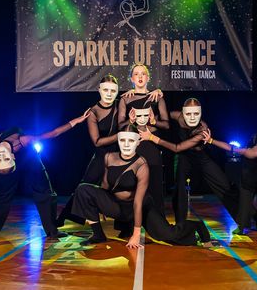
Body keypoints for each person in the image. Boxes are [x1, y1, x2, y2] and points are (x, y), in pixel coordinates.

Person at [0, 110, 90, 240]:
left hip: (29, 158)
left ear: (13, 157)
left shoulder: (23, 141)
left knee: (44, 191)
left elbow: (53, 133)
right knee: (0, 196)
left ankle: (52, 230)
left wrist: (76, 121)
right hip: (8, 164)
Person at [71, 127, 202, 248]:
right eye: (123, 140)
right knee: (83, 189)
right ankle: (98, 235)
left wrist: (136, 235)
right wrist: (100, 205)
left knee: (167, 235)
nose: (126, 144)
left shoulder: (142, 165)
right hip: (118, 206)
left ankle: (196, 227)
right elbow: (105, 185)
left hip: (140, 208)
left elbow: (138, 202)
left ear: (138, 142)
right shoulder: (108, 157)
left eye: (131, 141)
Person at [139, 98, 238, 242]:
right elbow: (163, 119)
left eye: (196, 114)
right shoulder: (177, 116)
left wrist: (152, 138)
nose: (192, 117)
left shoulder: (202, 129)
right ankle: (181, 226)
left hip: (200, 157)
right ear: (183, 113)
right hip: (184, 157)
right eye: (188, 114)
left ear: (200, 113)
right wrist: (154, 120)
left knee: (224, 186)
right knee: (179, 188)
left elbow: (177, 147)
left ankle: (244, 218)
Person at [57, 74, 121, 227]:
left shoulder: (121, 104)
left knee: (122, 187)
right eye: (105, 90)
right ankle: (63, 218)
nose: (109, 94)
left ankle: (124, 226)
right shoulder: (93, 112)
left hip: (120, 155)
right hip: (101, 155)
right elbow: (97, 142)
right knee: (84, 185)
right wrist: (120, 135)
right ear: (99, 90)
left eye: (113, 91)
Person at [118, 63, 169, 215]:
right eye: (136, 74)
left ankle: (158, 221)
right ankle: (130, 224)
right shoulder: (126, 99)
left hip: (151, 147)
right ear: (132, 78)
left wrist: (153, 121)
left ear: (148, 77)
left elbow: (166, 125)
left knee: (155, 188)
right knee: (131, 188)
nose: (140, 77)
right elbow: (119, 126)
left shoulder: (157, 97)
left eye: (143, 74)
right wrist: (130, 121)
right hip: (132, 150)